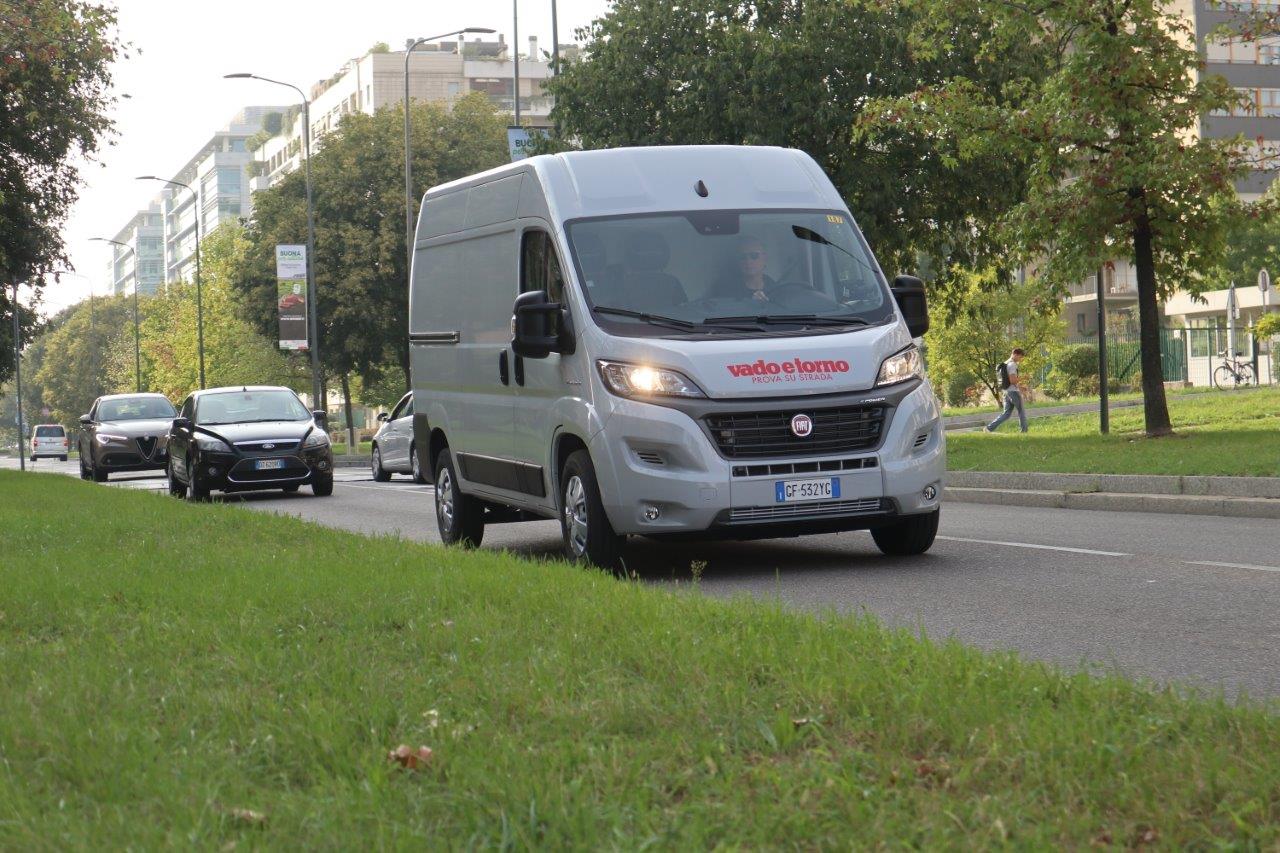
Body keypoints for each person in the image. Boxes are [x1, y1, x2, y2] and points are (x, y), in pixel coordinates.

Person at [985, 348, 1028, 433]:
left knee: (1006, 414)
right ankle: (1024, 432)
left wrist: (1020, 387)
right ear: (1015, 354)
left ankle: (989, 428)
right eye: (1020, 357)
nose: (1020, 359)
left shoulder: (1006, 363)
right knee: (1021, 412)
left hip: (1006, 391)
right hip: (1013, 392)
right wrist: (1024, 377)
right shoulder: (1012, 365)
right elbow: (1012, 380)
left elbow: (1009, 381)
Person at [726, 236, 776, 301]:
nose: (748, 261)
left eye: (754, 255)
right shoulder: (727, 289)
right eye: (742, 257)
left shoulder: (774, 287)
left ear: (764, 258)